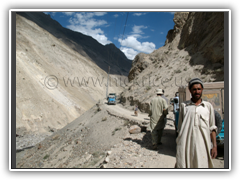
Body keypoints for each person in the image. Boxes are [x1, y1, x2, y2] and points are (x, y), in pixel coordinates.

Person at [175, 78, 218, 168]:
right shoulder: (184, 106)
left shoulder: (208, 106)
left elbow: (212, 128)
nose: (197, 91)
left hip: (203, 145)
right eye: (194, 89)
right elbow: (180, 129)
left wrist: (214, 146)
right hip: (187, 145)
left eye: (199, 89)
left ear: (202, 90)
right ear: (190, 90)